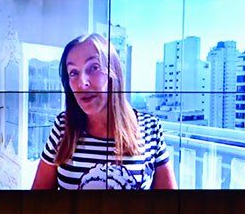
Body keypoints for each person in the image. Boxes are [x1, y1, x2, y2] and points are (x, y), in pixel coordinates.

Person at [31, 33, 177, 190]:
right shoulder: (63, 126)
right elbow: (38, 205)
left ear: (114, 72)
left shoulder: (150, 127)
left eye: (93, 68)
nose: (82, 83)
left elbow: (170, 209)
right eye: (73, 72)